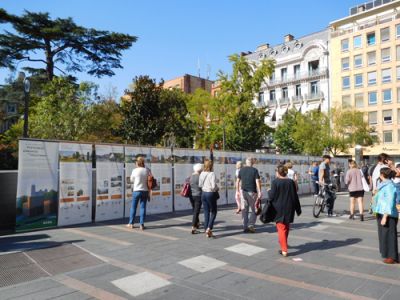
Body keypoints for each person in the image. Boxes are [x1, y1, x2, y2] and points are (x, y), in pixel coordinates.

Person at [268, 164, 301, 257]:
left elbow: (271, 196)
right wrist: (298, 209)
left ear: (278, 172)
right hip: (289, 207)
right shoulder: (290, 182)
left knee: (281, 228)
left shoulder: (275, 182)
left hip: (278, 208)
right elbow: (295, 195)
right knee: (286, 227)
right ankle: (284, 244)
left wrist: (269, 191)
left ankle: (284, 249)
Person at [372, 167, 399, 264]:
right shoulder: (383, 184)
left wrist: (385, 216)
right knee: (383, 235)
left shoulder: (390, 186)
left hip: (388, 214)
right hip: (381, 212)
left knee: (390, 235)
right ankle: (387, 253)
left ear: (382, 175)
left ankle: (392, 256)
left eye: (380, 174)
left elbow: (390, 202)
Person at [236, 157, 262, 233]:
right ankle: (251, 225)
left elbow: (237, 181)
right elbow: (257, 181)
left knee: (244, 209)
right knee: (254, 209)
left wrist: (237, 191)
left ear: (246, 163)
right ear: (252, 163)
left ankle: (245, 226)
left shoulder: (241, 170)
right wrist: (259, 191)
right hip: (252, 192)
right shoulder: (255, 170)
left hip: (243, 192)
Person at [127, 156, 150, 230]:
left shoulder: (134, 170)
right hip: (145, 191)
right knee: (143, 208)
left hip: (136, 191)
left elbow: (131, 180)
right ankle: (141, 224)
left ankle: (131, 223)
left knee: (133, 207)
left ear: (137, 162)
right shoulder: (147, 170)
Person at [199, 159, 219, 238]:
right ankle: (209, 228)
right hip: (210, 193)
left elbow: (200, 185)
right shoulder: (212, 174)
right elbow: (214, 186)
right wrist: (217, 188)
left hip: (203, 193)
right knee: (214, 211)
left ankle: (205, 228)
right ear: (211, 166)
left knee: (206, 211)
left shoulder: (202, 173)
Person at [189, 163, 203, 234]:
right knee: (196, 212)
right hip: (198, 195)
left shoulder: (191, 176)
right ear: (200, 169)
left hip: (191, 195)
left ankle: (197, 224)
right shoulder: (199, 177)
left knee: (195, 210)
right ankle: (193, 227)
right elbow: (201, 187)